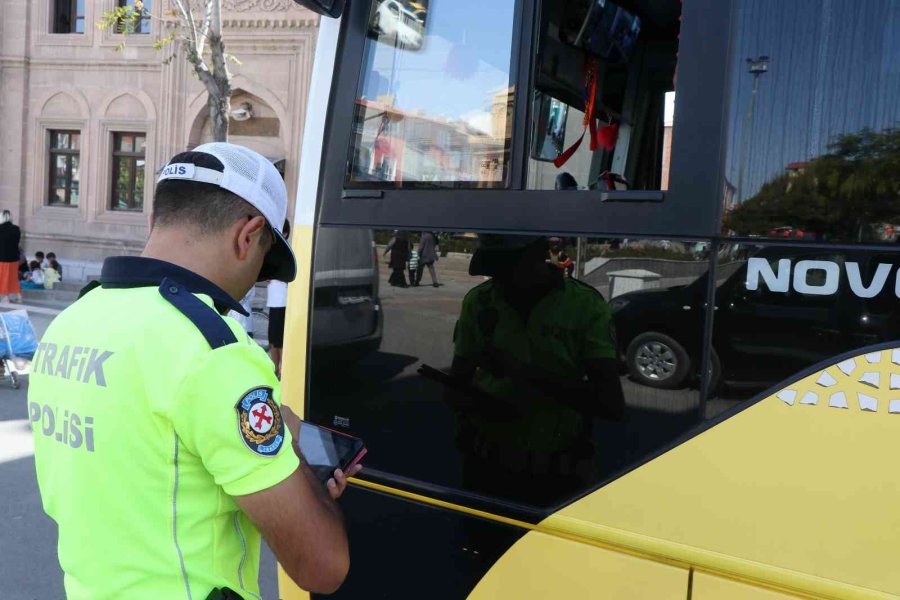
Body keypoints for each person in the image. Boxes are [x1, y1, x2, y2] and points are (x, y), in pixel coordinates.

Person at [29, 143, 357, 599]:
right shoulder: (213, 350)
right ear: (248, 235)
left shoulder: (74, 319)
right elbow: (323, 567)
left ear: (154, 220)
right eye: (264, 265)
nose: (255, 281)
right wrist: (297, 461)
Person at [445, 235, 624, 506]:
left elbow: (610, 403)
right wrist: (476, 405)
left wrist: (524, 375)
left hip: (556, 475)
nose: (500, 280)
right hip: (485, 466)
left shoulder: (585, 305)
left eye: (509, 267)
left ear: (539, 252)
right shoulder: (480, 300)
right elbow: (456, 386)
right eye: (495, 270)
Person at [267, 219, 291, 377]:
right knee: (272, 339)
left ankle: (283, 370)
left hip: (283, 301)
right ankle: (275, 369)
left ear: (285, 233)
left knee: (280, 339)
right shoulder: (272, 250)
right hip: (273, 300)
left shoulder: (288, 251)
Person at [0, 210, 22, 303]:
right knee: (13, 278)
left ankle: (5, 297)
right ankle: (18, 296)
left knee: (3, 278)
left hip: (2, 258)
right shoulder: (16, 228)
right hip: (14, 258)